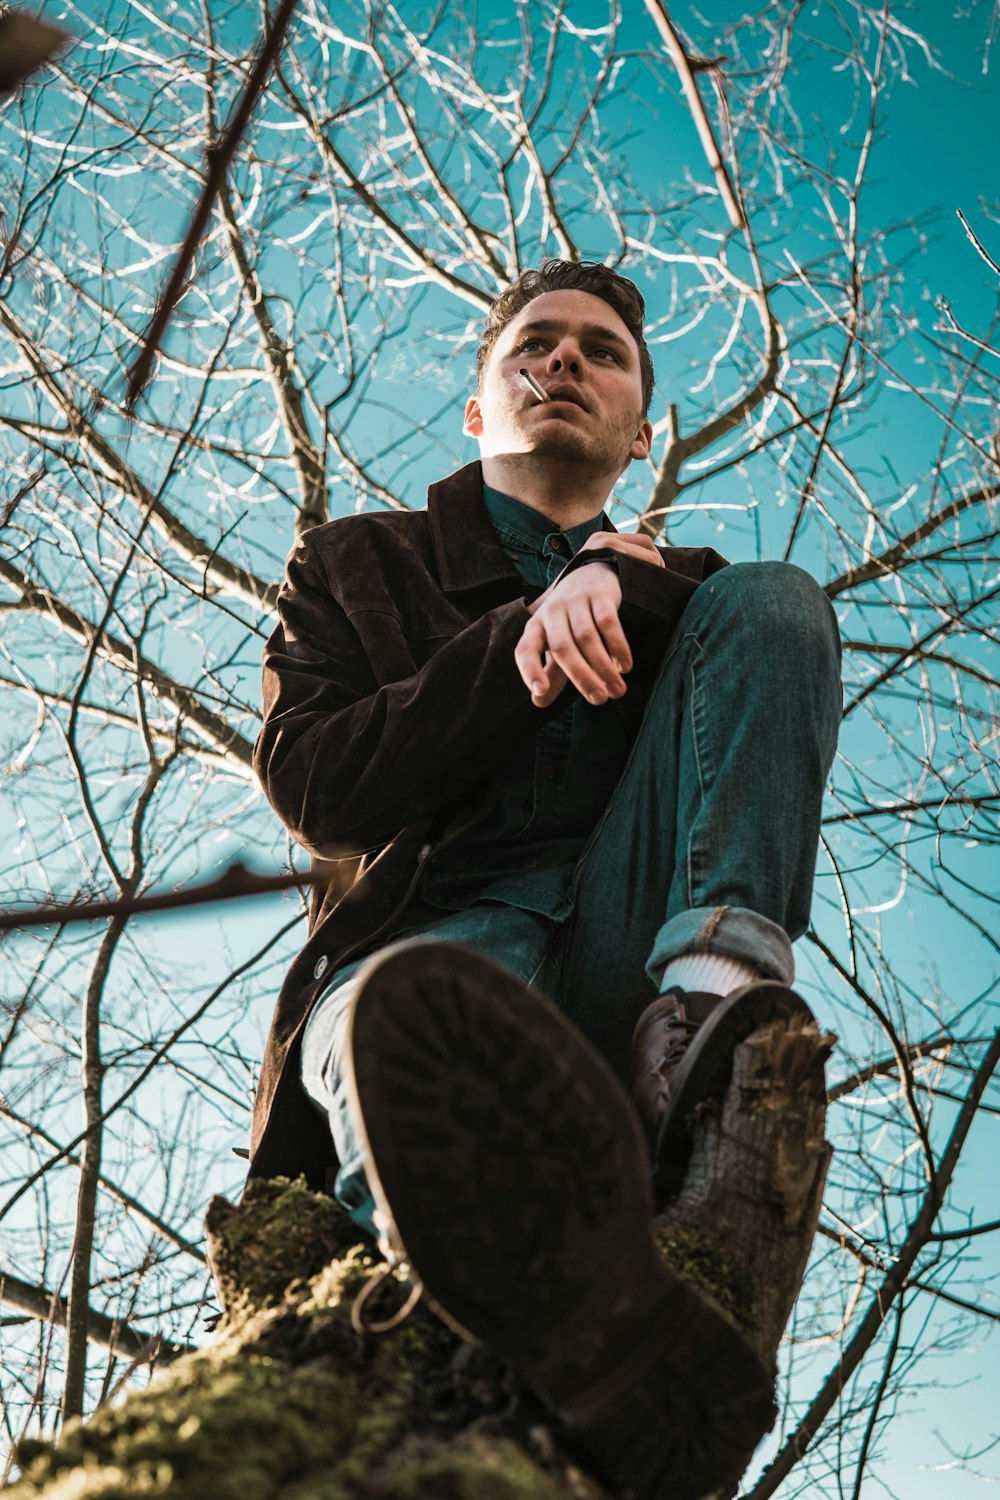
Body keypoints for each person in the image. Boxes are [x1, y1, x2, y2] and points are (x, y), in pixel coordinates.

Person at [249, 260, 842, 1498]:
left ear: (641, 430)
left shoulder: (699, 598)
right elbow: (317, 785)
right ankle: (516, 1337)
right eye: (533, 345)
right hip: (427, 953)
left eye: (601, 352)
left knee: (783, 602)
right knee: (415, 1028)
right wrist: (520, 643)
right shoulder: (354, 563)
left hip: (628, 972)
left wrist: (618, 576)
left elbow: (748, 697)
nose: (565, 360)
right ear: (477, 410)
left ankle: (705, 1020)